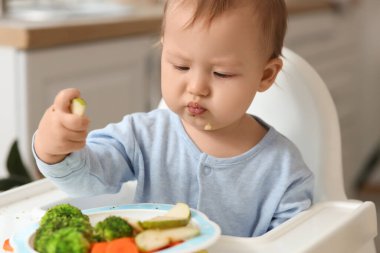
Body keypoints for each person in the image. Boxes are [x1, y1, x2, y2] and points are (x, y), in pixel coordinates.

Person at [33, 0, 314, 237]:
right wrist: (55, 149)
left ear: (265, 76)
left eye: (221, 73)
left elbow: (294, 242)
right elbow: (87, 182)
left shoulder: (284, 170)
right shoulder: (142, 135)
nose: (196, 87)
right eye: (180, 66)